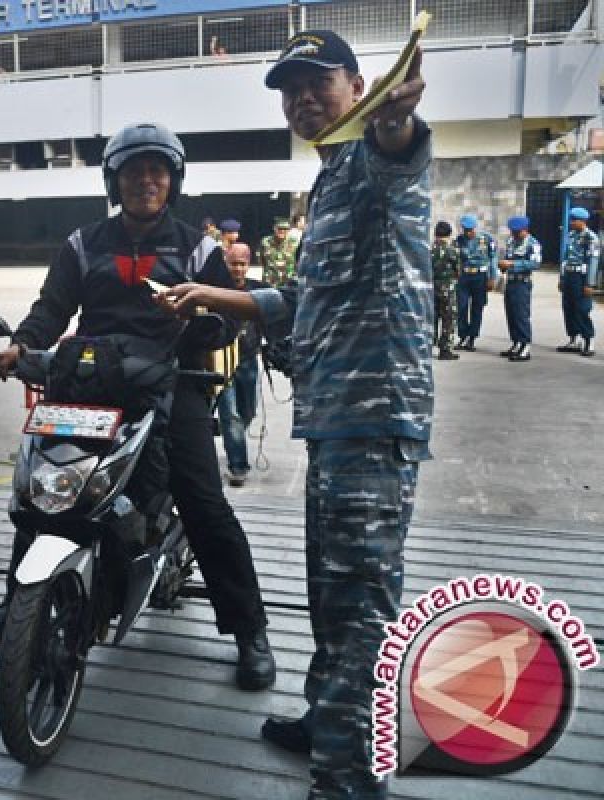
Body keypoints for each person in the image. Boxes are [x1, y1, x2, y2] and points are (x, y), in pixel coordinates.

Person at [162, 30, 432, 799]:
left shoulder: (376, 162)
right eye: (289, 88)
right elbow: (315, 299)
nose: (302, 98)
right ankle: (327, 720)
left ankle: (350, 781)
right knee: (331, 593)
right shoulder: (333, 179)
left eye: (318, 82)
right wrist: (222, 297)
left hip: (374, 421)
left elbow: (401, 148)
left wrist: (395, 122)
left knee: (360, 614)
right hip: (337, 421)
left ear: (356, 86)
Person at [0, 123, 276, 692]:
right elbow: (51, 309)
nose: (146, 181)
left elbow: (228, 321)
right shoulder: (83, 243)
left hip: (172, 384)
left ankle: (248, 631)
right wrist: (23, 344)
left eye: (157, 171)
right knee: (45, 488)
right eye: (133, 171)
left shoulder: (199, 248)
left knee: (205, 505)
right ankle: (19, 600)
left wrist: (201, 319)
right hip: (89, 382)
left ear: (174, 180)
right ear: (114, 180)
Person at [216, 243, 264, 487]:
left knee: (248, 411)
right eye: (233, 263)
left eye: (242, 264)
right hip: (223, 361)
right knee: (231, 414)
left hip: (248, 360)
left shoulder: (257, 291)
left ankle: (234, 438)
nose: (237, 269)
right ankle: (238, 466)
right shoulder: (216, 290)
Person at [556, 206, 599, 356]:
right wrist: (561, 277)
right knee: (568, 308)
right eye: (572, 220)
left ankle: (589, 340)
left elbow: (593, 261)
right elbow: (565, 258)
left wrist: (589, 283)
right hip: (569, 275)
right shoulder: (571, 235)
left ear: (583, 221)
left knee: (581, 309)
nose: (572, 223)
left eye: (574, 220)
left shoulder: (591, 237)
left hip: (581, 278)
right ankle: (573, 339)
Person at [498, 215, 541, 362]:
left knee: (521, 315)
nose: (514, 234)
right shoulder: (511, 241)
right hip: (510, 282)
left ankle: (525, 345)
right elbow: (507, 257)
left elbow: (535, 264)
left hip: (522, 283)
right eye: (512, 231)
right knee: (511, 314)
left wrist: (512, 264)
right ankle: (516, 343)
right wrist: (503, 266)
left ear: (525, 230)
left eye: (517, 232)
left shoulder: (532, 243)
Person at [453, 213, 497, 351]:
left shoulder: (486, 239)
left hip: (480, 276)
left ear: (475, 228)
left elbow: (493, 258)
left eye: (471, 230)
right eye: (466, 230)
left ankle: (472, 338)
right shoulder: (459, 240)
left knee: (477, 308)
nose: (469, 233)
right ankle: (463, 336)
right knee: (461, 307)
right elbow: (456, 258)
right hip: (464, 277)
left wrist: (492, 277)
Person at [430, 220, 460, 360]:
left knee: (431, 318)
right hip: (448, 288)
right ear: (449, 234)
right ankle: (445, 350)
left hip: (431, 288)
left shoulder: (429, 250)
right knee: (448, 319)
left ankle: (428, 345)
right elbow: (458, 270)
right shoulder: (453, 250)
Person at [256, 218, 296, 286]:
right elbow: (260, 259)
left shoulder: (294, 243)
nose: (282, 231)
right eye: (280, 228)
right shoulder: (265, 242)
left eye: (285, 229)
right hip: (269, 281)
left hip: (288, 282)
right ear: (275, 228)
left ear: (289, 230)